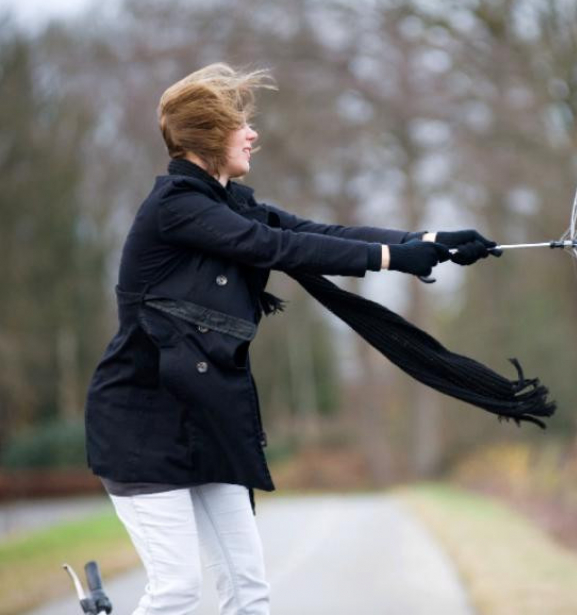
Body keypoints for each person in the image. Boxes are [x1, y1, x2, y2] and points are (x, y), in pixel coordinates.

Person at [83, 62, 500, 615]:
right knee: (177, 591)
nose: (252, 134)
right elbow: (275, 249)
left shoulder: (230, 203)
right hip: (143, 425)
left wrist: (427, 240)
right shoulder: (176, 209)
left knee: (249, 591)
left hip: (209, 421)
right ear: (209, 135)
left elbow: (314, 233)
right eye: (240, 125)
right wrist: (392, 258)